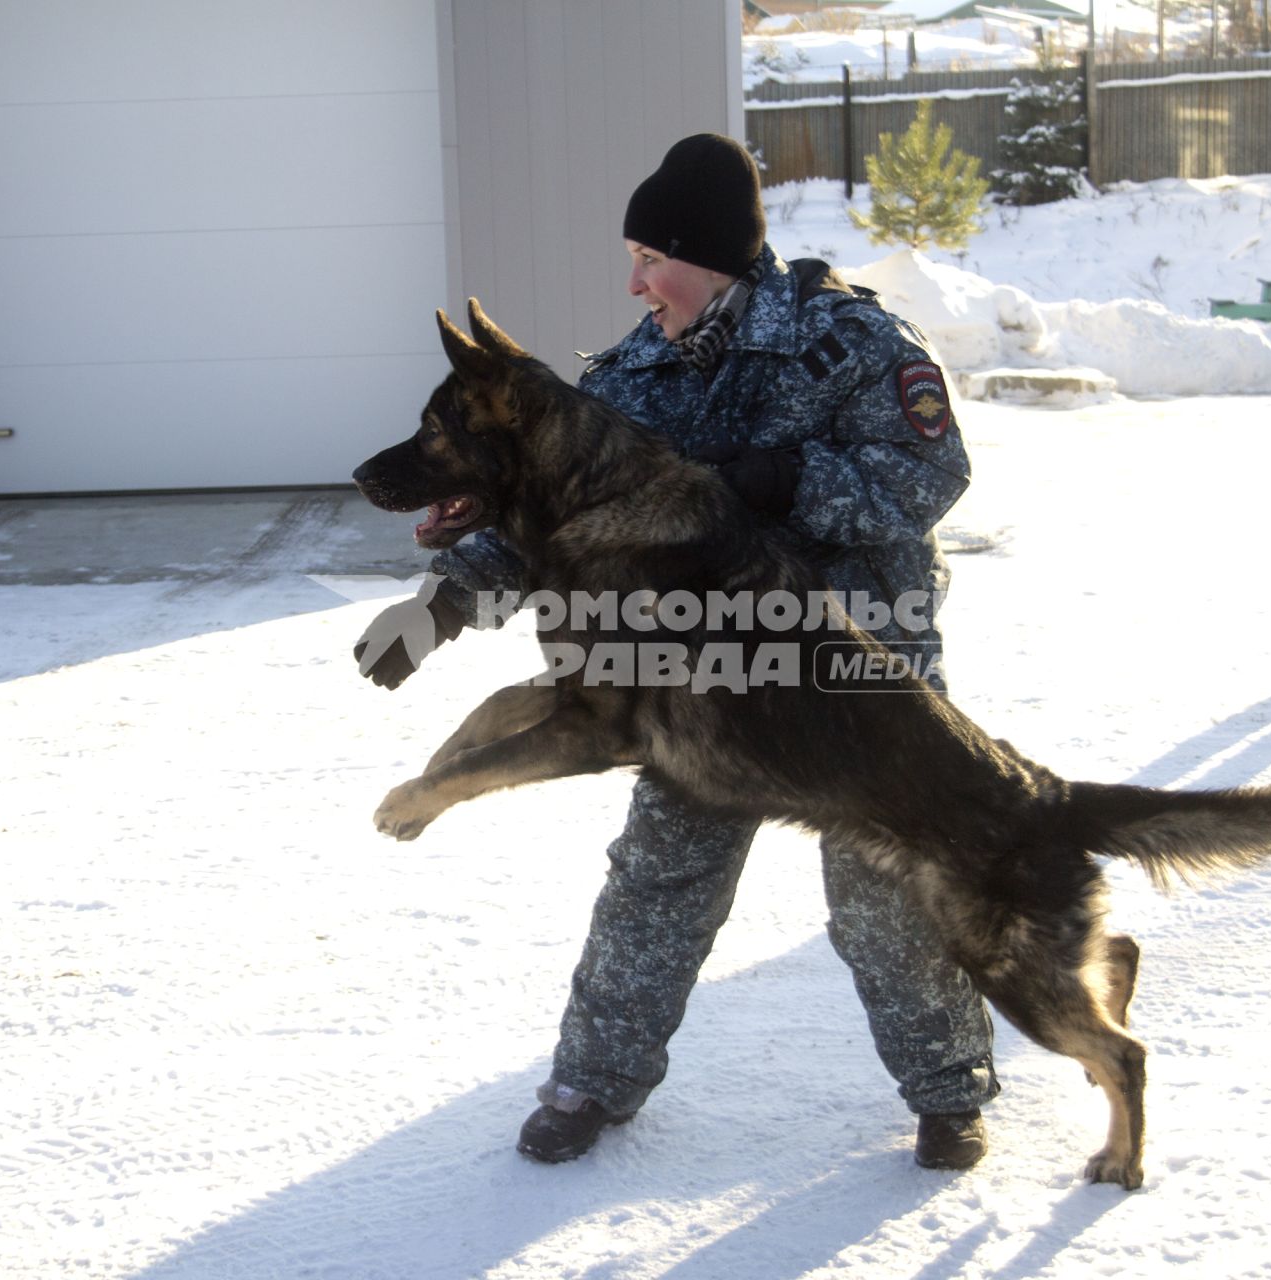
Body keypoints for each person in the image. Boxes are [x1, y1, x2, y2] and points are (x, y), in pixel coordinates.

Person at [358, 133, 1000, 1168]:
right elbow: (547, 504)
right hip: (707, 675)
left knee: (884, 887)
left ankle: (946, 1086)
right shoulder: (633, 376)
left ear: (707, 255)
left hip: (851, 670)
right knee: (661, 869)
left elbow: (931, 479)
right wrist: (442, 603)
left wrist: (791, 480)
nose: (636, 283)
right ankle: (590, 1081)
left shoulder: (851, 341)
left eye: (650, 258)